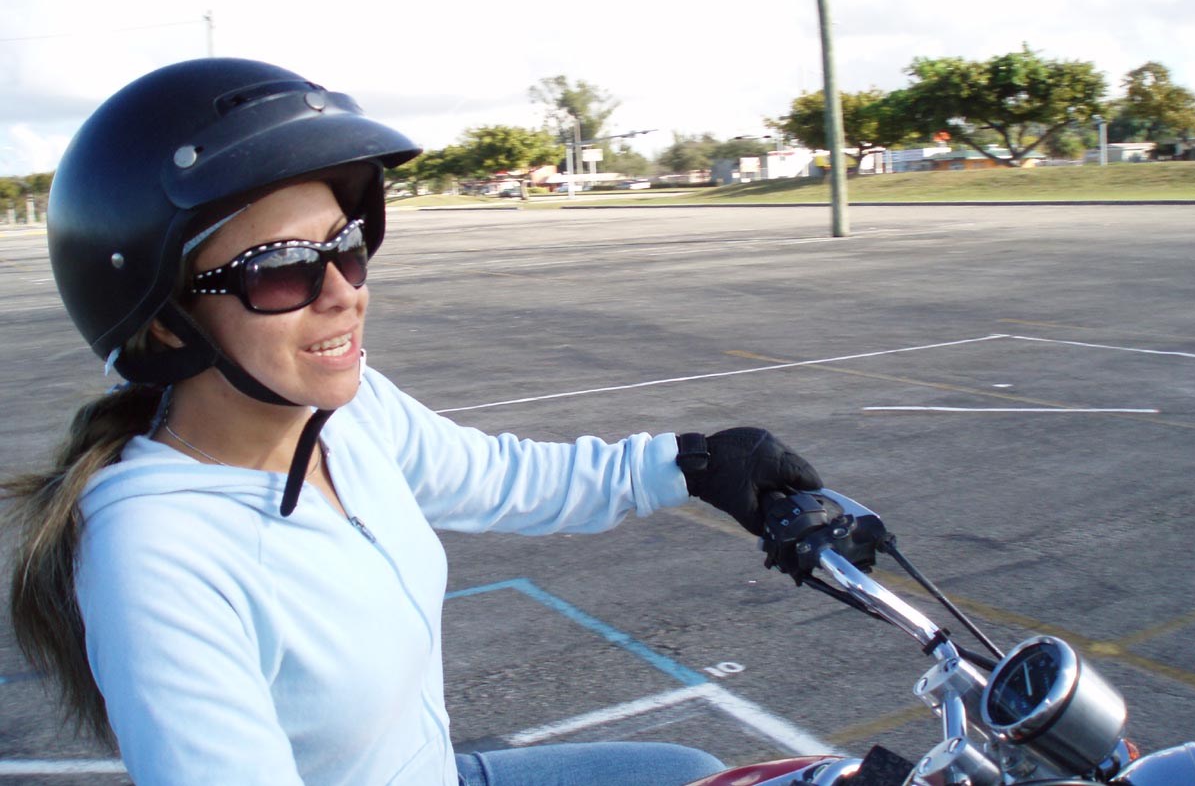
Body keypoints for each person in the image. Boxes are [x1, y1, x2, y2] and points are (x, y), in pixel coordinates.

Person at [3, 58, 825, 786]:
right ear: (163, 323)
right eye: (281, 268)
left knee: (695, 772)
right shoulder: (158, 556)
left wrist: (692, 465)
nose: (343, 292)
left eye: (346, 246)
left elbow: (500, 477)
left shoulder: (347, 413)